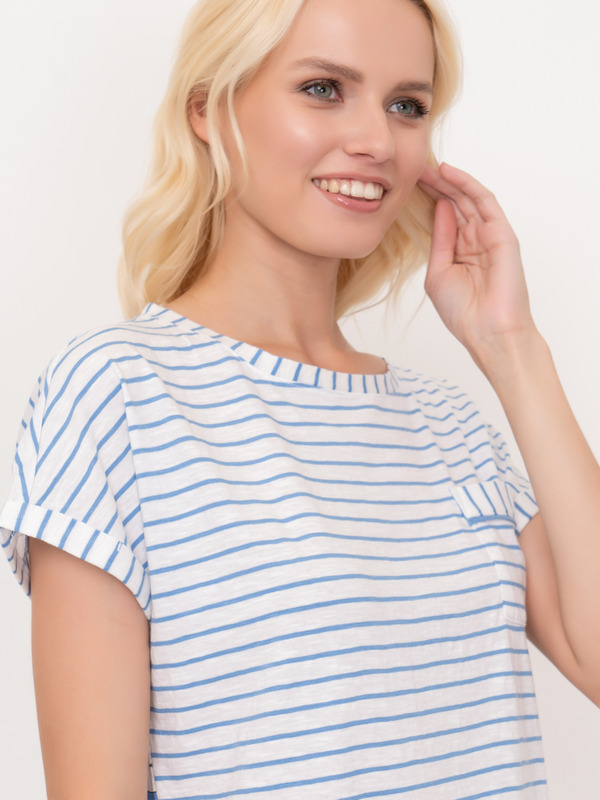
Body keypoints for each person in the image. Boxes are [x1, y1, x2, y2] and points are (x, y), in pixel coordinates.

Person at [1, 0, 598, 798]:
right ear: (209, 109)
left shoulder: (450, 425)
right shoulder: (118, 396)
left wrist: (513, 349)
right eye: (323, 88)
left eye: (406, 105)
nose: (378, 139)